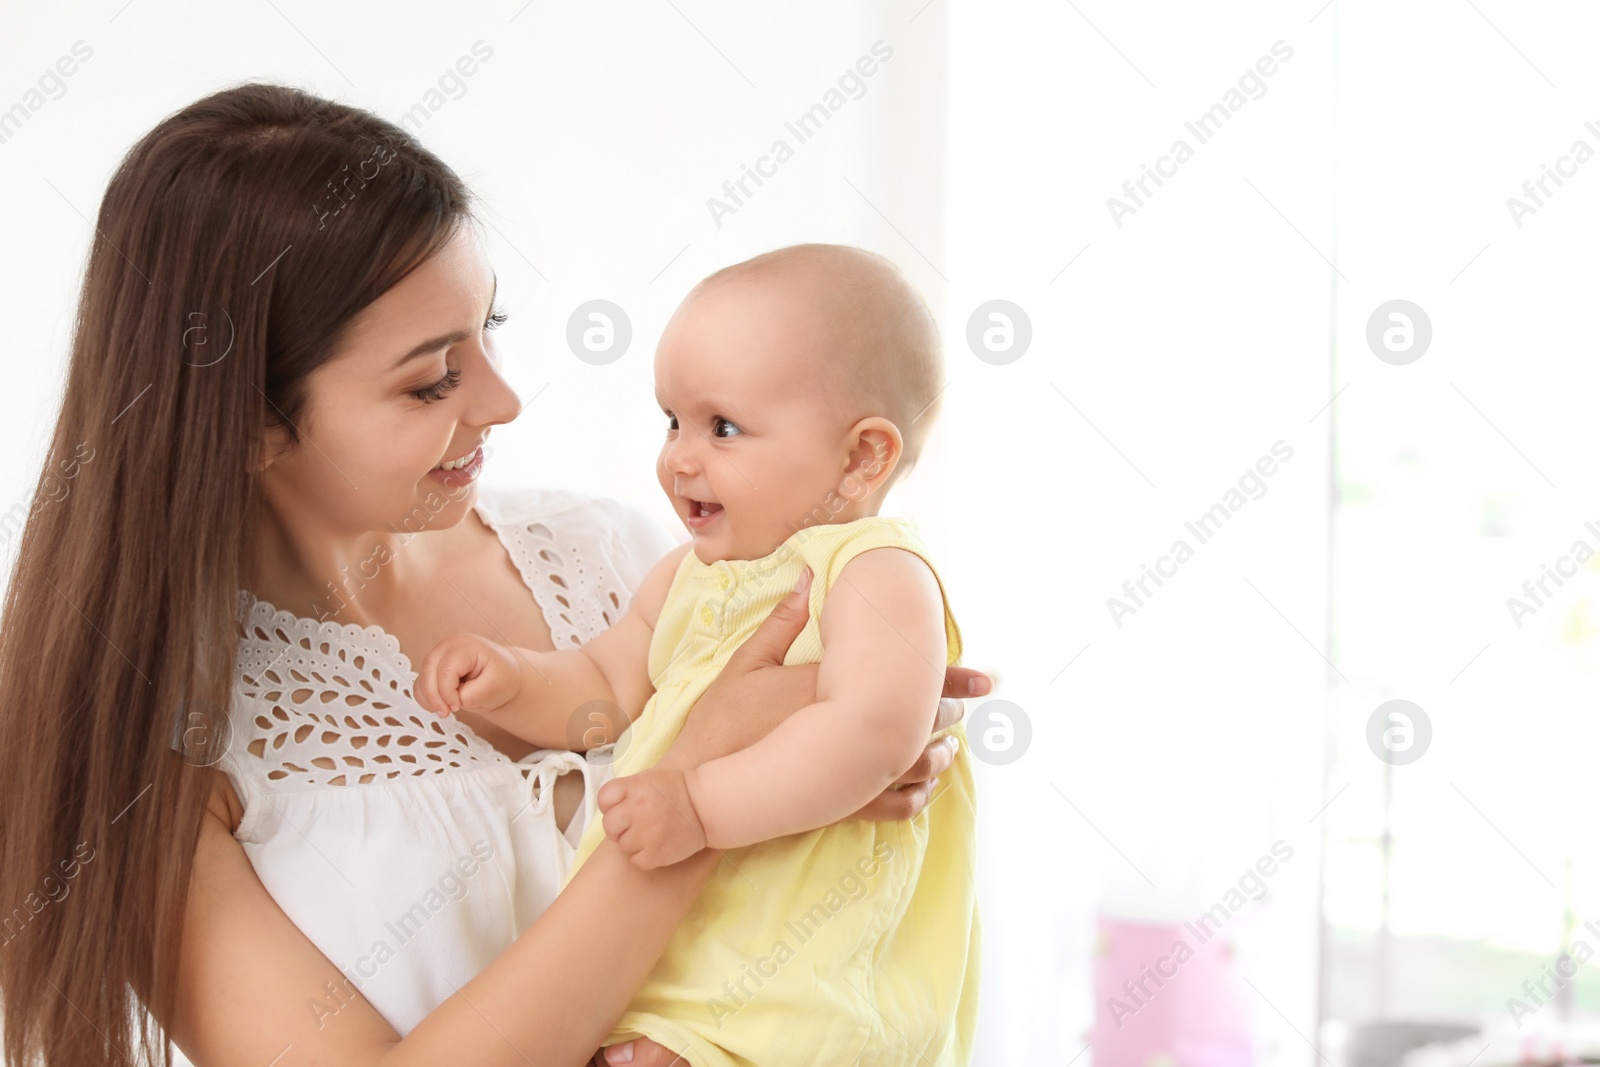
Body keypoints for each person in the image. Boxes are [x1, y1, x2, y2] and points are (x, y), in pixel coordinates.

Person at [0, 83, 988, 1067]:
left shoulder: (603, 553)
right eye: (432, 376)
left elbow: (833, 770)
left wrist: (881, 735)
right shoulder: (148, 752)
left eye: (490, 329)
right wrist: (697, 780)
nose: (505, 399)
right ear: (251, 423)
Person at [416, 244, 979, 1064]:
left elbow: (873, 734)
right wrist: (510, 680)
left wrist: (700, 804)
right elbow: (608, 682)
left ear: (862, 458)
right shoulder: (689, 574)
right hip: (686, 959)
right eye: (671, 420)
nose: (679, 456)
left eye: (722, 427)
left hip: (806, 971)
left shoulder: (875, 572)